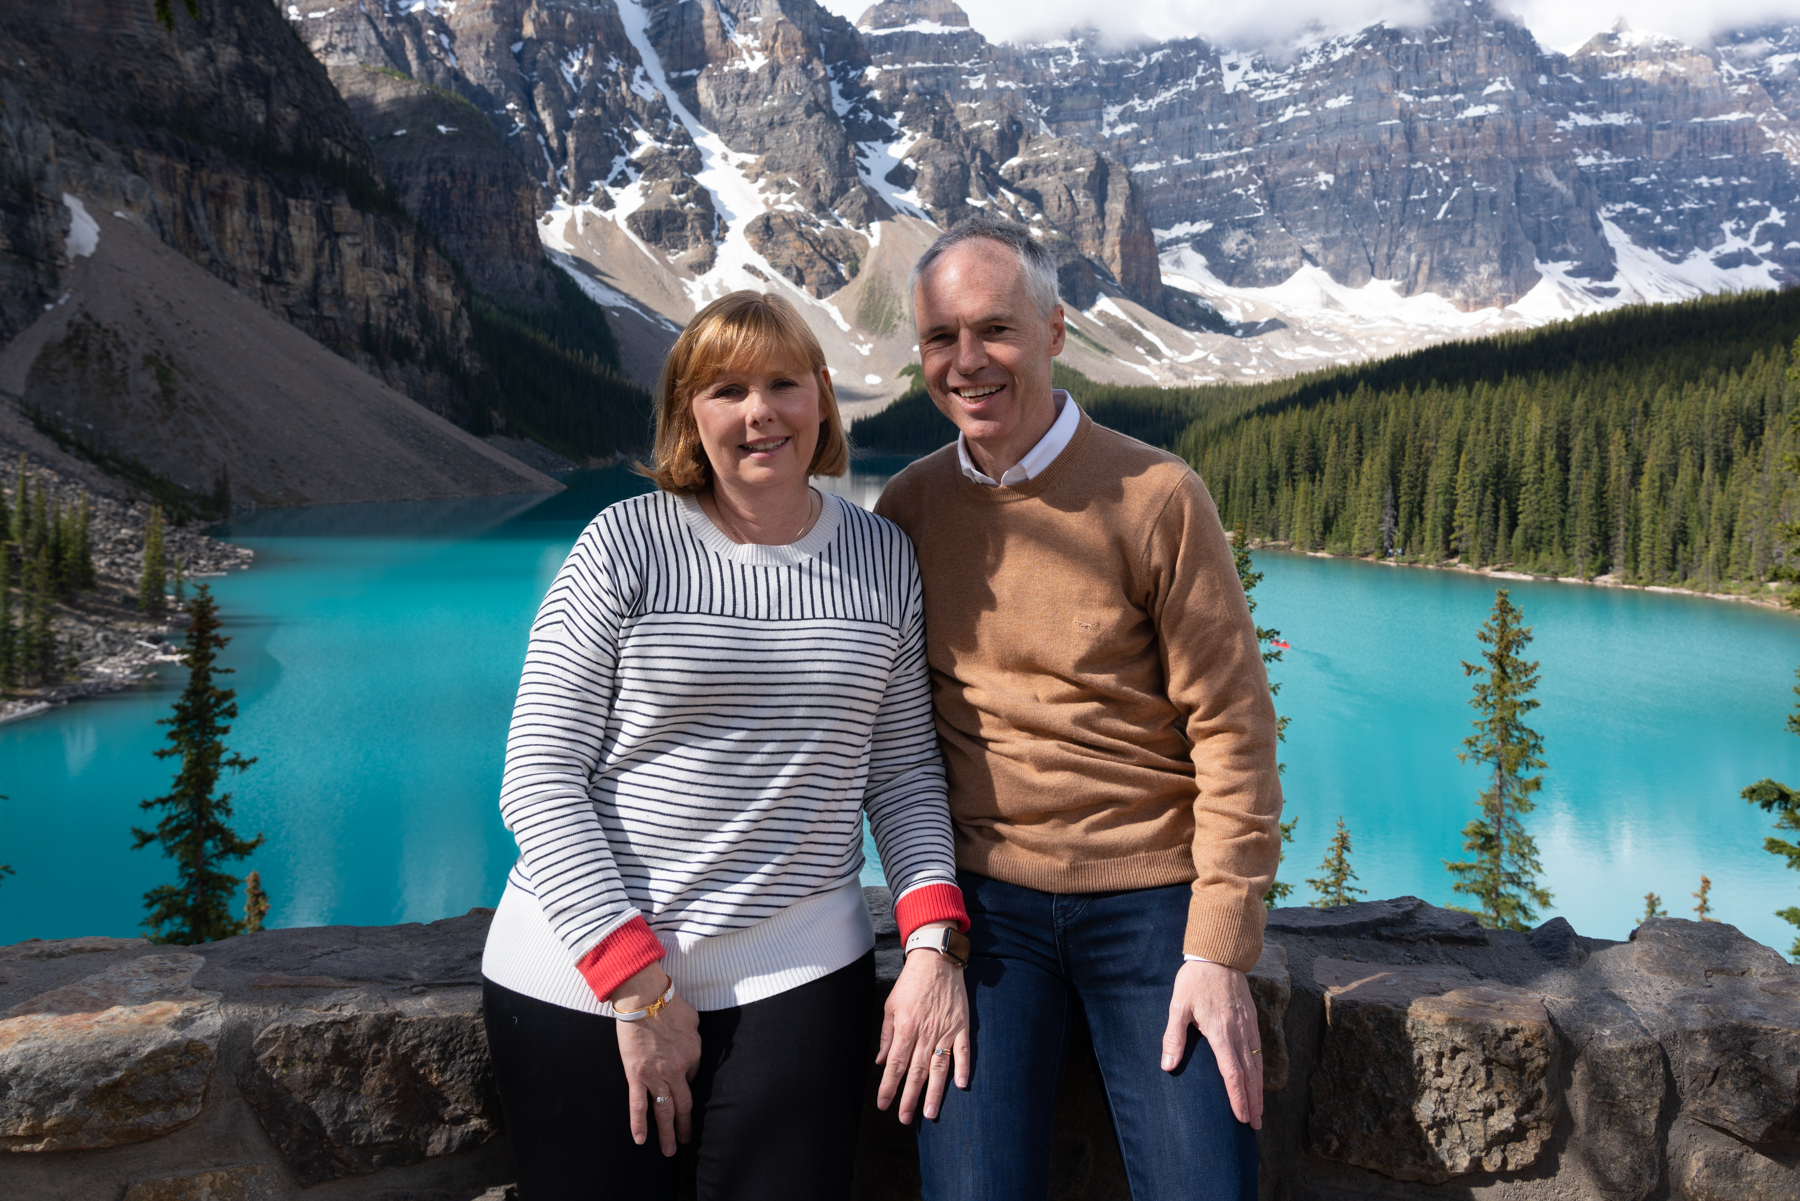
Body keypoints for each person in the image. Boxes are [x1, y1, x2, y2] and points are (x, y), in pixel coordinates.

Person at [481, 291, 973, 1201]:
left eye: (784, 383)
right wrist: (635, 984)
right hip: (581, 979)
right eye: (726, 390)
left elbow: (903, 773)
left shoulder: (883, 558)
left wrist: (933, 943)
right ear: (687, 413)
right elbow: (539, 778)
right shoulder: (623, 545)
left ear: (821, 397)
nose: (760, 413)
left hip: (797, 971)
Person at [874, 215, 1283, 1201]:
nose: (968, 362)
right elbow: (888, 738)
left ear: (1054, 331)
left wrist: (1218, 947)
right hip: (987, 913)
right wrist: (930, 937)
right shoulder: (910, 510)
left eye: (996, 330)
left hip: (1152, 903)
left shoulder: (1157, 494)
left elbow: (1232, 727)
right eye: (941, 338)